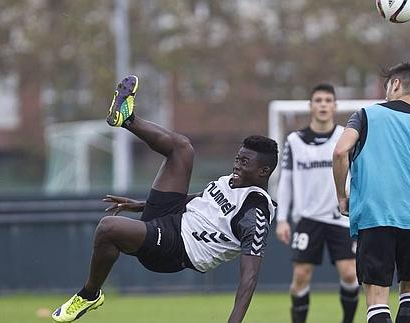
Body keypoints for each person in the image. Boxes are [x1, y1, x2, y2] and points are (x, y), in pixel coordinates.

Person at [51, 75, 278, 323]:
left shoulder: (255, 213)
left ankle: (88, 295)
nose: (237, 165)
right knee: (183, 148)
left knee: (108, 228)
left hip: (177, 248)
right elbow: (204, 202)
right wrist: (141, 205)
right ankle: (127, 119)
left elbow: (250, 277)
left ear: (263, 171)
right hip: (173, 215)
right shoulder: (234, 181)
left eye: (244, 163)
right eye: (237, 159)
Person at [332, 62, 410, 323]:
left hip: (376, 217)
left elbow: (339, 152)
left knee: (378, 298)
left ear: (395, 84)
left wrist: (341, 196)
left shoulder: (365, 115)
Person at [275, 84, 359, 323]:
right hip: (307, 218)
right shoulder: (294, 140)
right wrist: (282, 219)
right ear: (311, 106)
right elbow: (287, 180)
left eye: (328, 100)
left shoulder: (345, 137)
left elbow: (357, 173)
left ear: (335, 106)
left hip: (339, 217)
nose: (323, 104)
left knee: (350, 273)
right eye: (318, 100)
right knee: (301, 276)